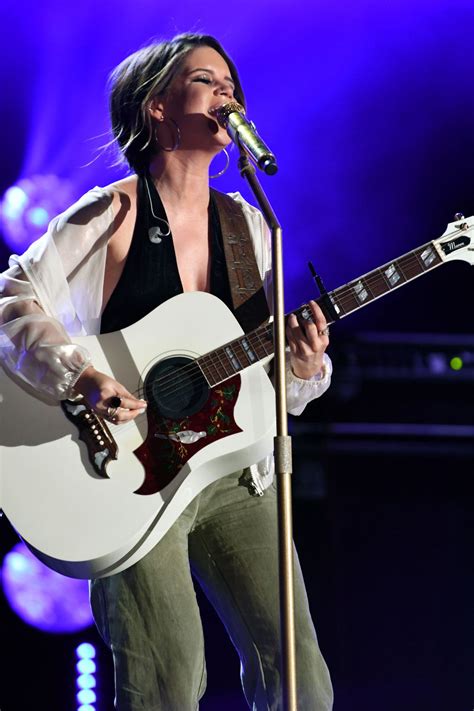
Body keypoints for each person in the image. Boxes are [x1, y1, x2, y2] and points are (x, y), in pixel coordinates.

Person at [0, 33, 333, 710]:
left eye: (230, 83)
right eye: (206, 81)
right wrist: (77, 375)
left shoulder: (250, 227)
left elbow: (271, 388)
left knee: (301, 682)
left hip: (236, 472)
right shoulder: (113, 213)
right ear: (157, 107)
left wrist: (303, 365)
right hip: (128, 477)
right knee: (168, 681)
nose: (226, 92)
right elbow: (12, 298)